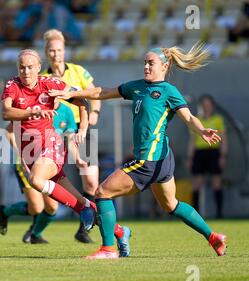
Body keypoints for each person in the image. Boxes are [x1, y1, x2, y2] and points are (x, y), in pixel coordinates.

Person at [49, 42, 228, 259]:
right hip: (162, 159)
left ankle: (108, 249)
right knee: (171, 204)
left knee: (102, 193)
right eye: (144, 62)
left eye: (150, 63)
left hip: (149, 161)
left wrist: (202, 131)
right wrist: (73, 93)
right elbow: (103, 91)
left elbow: (189, 117)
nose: (146, 67)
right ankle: (213, 237)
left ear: (164, 66)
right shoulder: (138, 86)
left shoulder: (169, 91)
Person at [39, 28, 131, 250]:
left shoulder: (78, 71)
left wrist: (92, 117)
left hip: (82, 130)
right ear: (46, 52)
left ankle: (84, 226)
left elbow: (94, 95)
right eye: (51, 50)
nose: (55, 54)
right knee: (56, 183)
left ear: (64, 50)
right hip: (55, 134)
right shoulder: (43, 77)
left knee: (91, 181)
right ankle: (53, 222)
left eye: (59, 50)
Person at [0, 49, 96, 244]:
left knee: (39, 187)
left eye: (30, 67)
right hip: (29, 153)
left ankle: (36, 233)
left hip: (51, 146)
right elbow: (6, 113)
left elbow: (81, 100)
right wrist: (30, 113)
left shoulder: (50, 85)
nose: (25, 72)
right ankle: (115, 229)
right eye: (21, 67)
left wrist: (83, 129)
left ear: (39, 68)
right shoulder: (12, 85)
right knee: (45, 204)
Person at [187, 94, 228, 219]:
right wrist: (190, 157)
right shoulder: (197, 120)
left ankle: (219, 214)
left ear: (212, 106)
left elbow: (224, 139)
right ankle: (195, 216)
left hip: (214, 152)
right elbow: (192, 140)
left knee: (216, 183)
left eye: (208, 105)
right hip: (200, 153)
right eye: (204, 105)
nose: (206, 107)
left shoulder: (218, 120)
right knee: (197, 183)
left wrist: (223, 155)